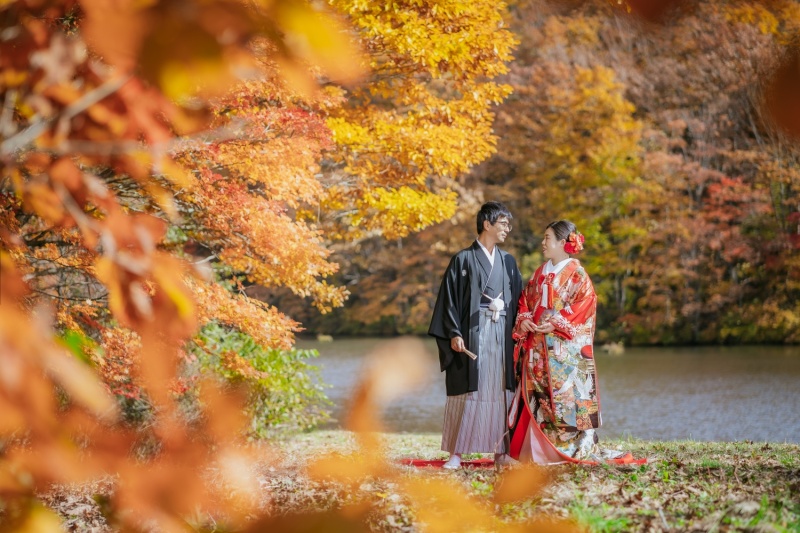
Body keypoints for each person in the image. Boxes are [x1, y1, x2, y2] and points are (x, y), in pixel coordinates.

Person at [507, 220, 636, 465]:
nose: (543, 243)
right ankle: (534, 452)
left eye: (547, 238)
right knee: (537, 397)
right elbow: (525, 300)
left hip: (562, 351)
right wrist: (524, 319)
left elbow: (585, 306)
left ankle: (566, 448)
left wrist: (555, 323)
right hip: (537, 348)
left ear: (561, 242)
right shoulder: (540, 272)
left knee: (566, 396)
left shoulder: (577, 274)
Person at [429, 202, 524, 469]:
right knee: (469, 391)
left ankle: (501, 452)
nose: (508, 229)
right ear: (487, 224)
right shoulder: (462, 259)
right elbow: (448, 301)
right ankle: (456, 453)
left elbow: (519, 299)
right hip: (472, 333)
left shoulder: (508, 261)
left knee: (500, 390)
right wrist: (454, 333)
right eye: (503, 223)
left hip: (502, 332)